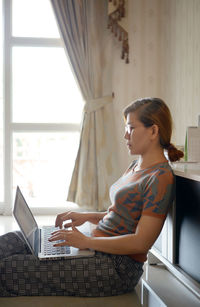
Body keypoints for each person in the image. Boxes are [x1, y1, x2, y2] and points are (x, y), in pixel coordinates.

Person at [0, 97, 183, 297]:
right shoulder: (136, 166)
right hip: (97, 246)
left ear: (153, 131)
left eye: (131, 128)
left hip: (116, 267)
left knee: (9, 268)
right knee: (14, 240)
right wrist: (88, 216)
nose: (125, 135)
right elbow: (124, 215)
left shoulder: (160, 178)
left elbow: (141, 243)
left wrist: (85, 241)